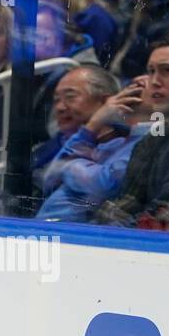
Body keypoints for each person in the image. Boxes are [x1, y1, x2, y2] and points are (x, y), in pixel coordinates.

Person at [95, 39, 169, 228]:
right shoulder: (152, 139)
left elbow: (166, 214)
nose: (155, 81)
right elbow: (129, 200)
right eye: (151, 71)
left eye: (166, 70)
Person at [37, 65, 148, 223]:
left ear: (106, 102)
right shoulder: (80, 139)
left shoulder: (133, 143)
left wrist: (68, 166)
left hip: (70, 239)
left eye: (70, 97)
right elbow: (49, 179)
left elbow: (104, 185)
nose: (60, 108)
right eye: (56, 100)